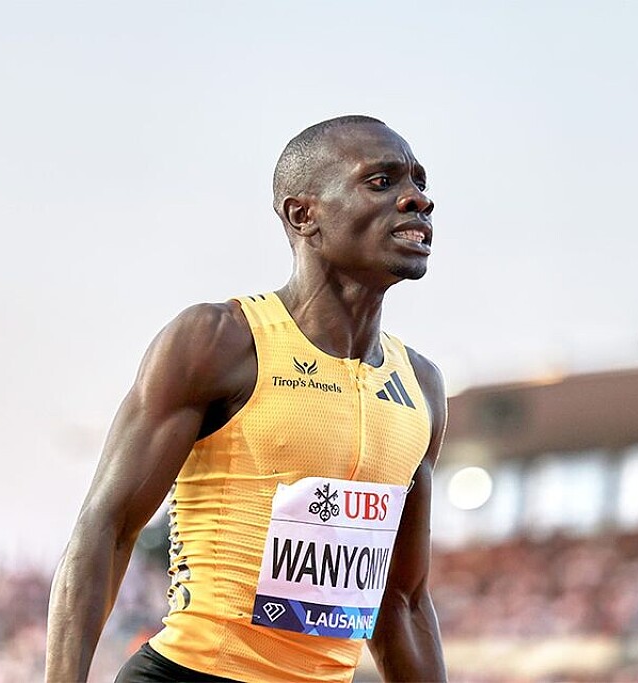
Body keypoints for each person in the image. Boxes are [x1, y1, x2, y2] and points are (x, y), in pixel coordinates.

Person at [45, 115, 447, 683]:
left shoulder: (421, 386)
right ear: (303, 215)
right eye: (381, 182)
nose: (417, 200)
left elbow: (401, 602)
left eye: (419, 183)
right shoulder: (219, 341)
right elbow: (105, 529)